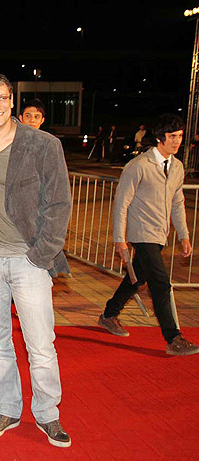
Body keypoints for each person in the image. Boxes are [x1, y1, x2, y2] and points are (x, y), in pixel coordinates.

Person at [0, 72, 72, 447]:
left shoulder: (43, 144)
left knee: (41, 345)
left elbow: (59, 203)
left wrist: (41, 254)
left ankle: (48, 414)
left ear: (11, 100)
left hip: (28, 261)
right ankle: (8, 407)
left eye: (1, 98)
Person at [98, 114, 199, 356]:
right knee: (161, 284)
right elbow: (122, 202)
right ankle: (173, 338)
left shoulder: (176, 167)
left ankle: (109, 315)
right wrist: (119, 238)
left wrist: (183, 235)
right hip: (141, 232)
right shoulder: (138, 166)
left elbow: (177, 201)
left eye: (180, 137)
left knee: (137, 278)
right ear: (160, 138)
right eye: (173, 137)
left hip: (160, 233)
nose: (177, 141)